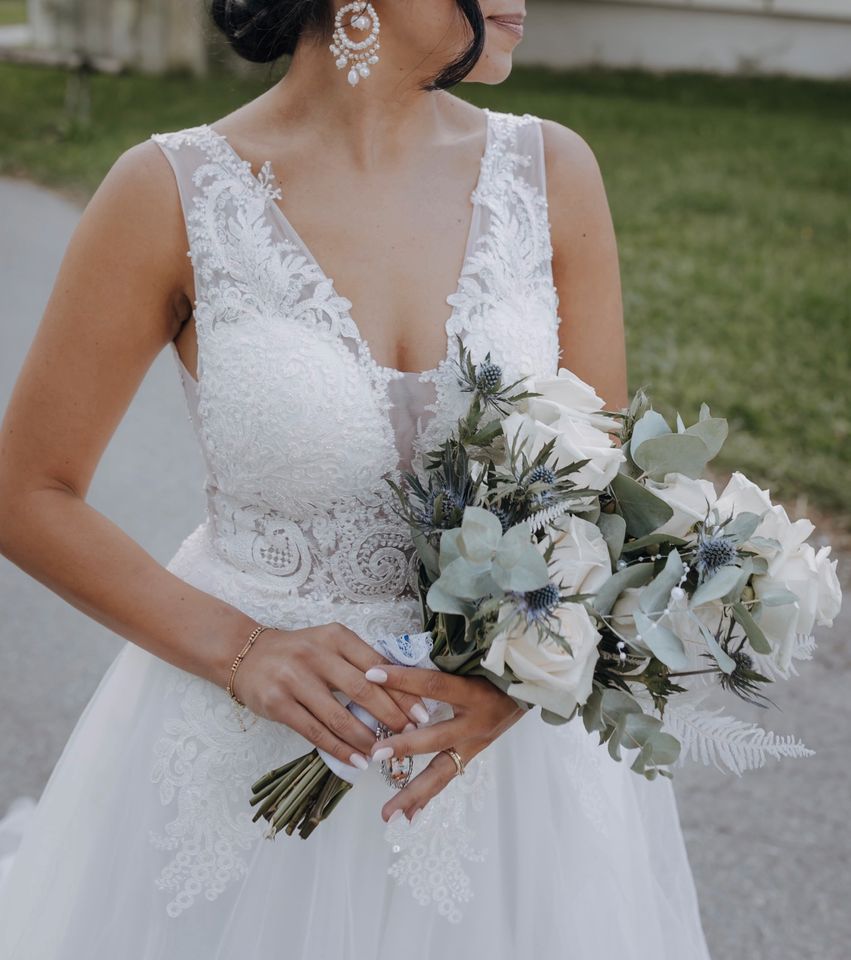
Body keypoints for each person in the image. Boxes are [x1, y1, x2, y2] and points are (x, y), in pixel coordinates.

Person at [0, 1, 712, 957]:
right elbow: (27, 490)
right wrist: (240, 649)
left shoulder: (551, 173)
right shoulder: (170, 190)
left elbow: (602, 489)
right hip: (247, 763)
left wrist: (526, 673)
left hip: (510, 781)